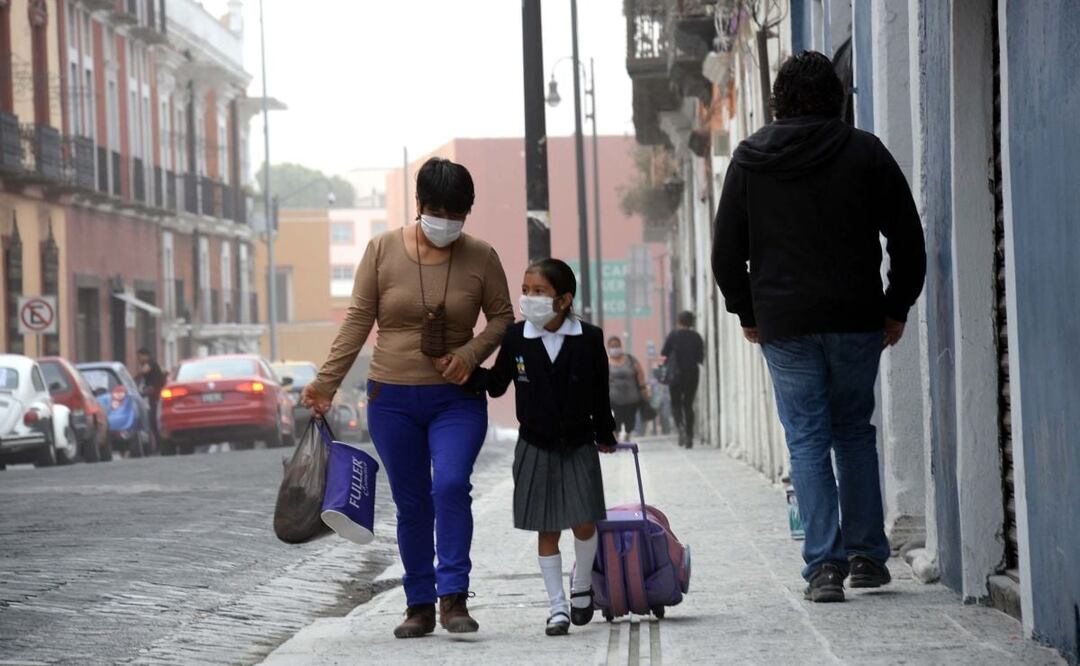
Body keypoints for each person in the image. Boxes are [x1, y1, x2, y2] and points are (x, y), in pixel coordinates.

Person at [712, 51, 926, 603]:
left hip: (785, 325)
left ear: (778, 100)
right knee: (853, 431)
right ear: (838, 96)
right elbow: (907, 237)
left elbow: (725, 253)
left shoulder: (749, 160)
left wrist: (749, 313)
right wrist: (896, 305)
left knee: (806, 437)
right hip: (856, 318)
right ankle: (867, 557)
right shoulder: (864, 152)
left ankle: (824, 568)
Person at [301, 157, 514, 637]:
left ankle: (453, 596)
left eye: (457, 213)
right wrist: (327, 382)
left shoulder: (482, 256)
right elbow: (358, 320)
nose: (447, 222)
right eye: (438, 210)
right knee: (412, 501)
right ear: (419, 205)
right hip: (392, 399)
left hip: (456, 399)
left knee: (451, 485)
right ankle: (418, 602)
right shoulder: (381, 249)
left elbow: (502, 317)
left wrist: (471, 351)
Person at [467, 258, 616, 636]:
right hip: (535, 443)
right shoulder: (517, 337)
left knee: (584, 522)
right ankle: (556, 608)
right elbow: (498, 383)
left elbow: (600, 392)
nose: (529, 298)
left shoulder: (590, 338)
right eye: (526, 290)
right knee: (547, 529)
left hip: (579, 442)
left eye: (539, 292)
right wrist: (463, 371)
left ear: (564, 299)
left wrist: (605, 433)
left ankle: (581, 584)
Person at [660, 311, 705, 448]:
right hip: (692, 373)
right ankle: (689, 434)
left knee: (676, 404)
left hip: (675, 374)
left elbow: (664, 352)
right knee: (688, 404)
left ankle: (680, 428)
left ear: (679, 321)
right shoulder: (696, 336)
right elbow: (700, 358)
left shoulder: (674, 335)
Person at [606, 336, 647, 439]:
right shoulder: (605, 361)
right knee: (616, 416)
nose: (615, 348)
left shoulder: (630, 359)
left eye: (616, 346)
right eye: (612, 346)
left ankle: (628, 432)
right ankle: (616, 434)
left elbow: (640, 373)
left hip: (631, 397)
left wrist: (643, 387)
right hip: (613, 397)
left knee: (630, 418)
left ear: (620, 346)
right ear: (608, 347)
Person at [134, 348, 165, 455]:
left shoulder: (150, 363)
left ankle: (160, 446)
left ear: (145, 355)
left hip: (156, 397)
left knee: (154, 420)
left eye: (139, 357)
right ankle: (158, 445)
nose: (138, 360)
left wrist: (133, 378)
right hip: (153, 396)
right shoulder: (152, 363)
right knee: (153, 421)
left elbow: (144, 372)